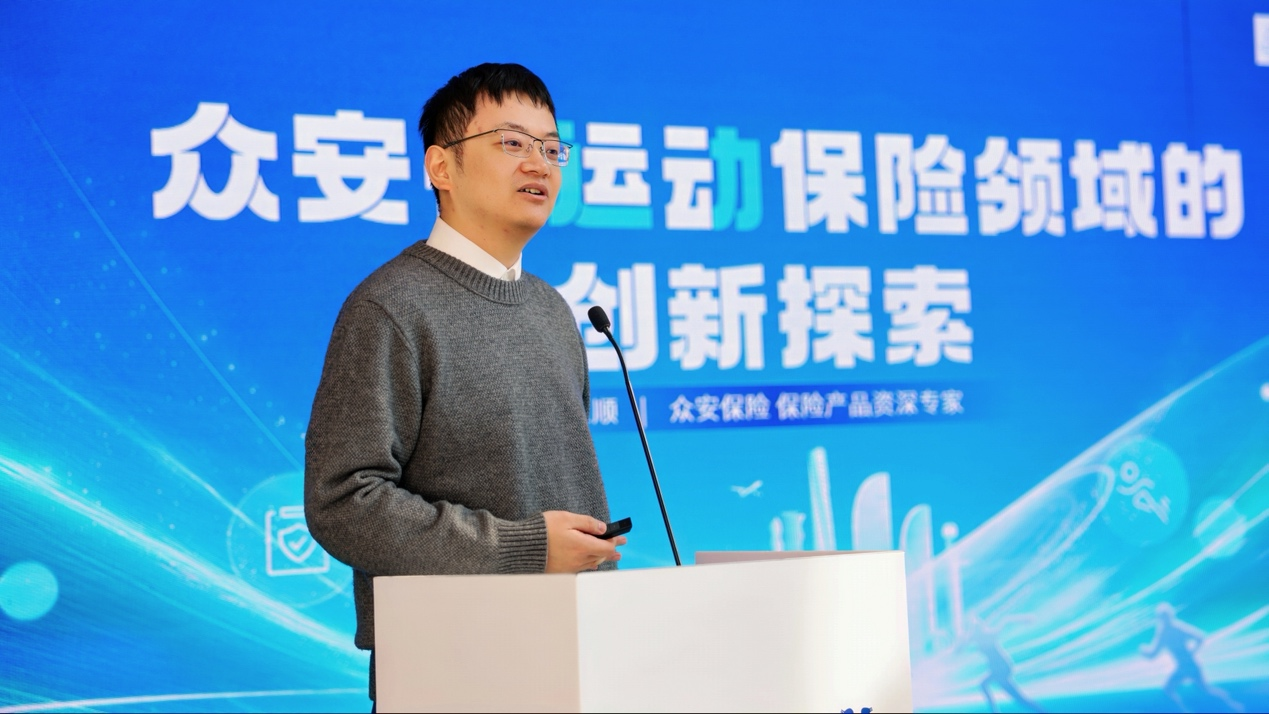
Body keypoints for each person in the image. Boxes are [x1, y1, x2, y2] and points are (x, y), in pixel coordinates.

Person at [303, 62, 626, 703]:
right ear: (440, 167)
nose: (538, 164)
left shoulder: (552, 310)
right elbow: (343, 502)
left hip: (576, 654)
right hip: (452, 668)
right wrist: (525, 548)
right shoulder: (390, 307)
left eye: (551, 147)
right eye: (511, 142)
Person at [1140, 603, 1243, 713]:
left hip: (1186, 666)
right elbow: (1200, 637)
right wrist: (1192, 652)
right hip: (1187, 665)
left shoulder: (1166, 632)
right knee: (1204, 689)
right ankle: (1233, 706)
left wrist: (1143, 651)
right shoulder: (1174, 629)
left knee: (1172, 689)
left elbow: (1153, 654)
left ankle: (1233, 706)